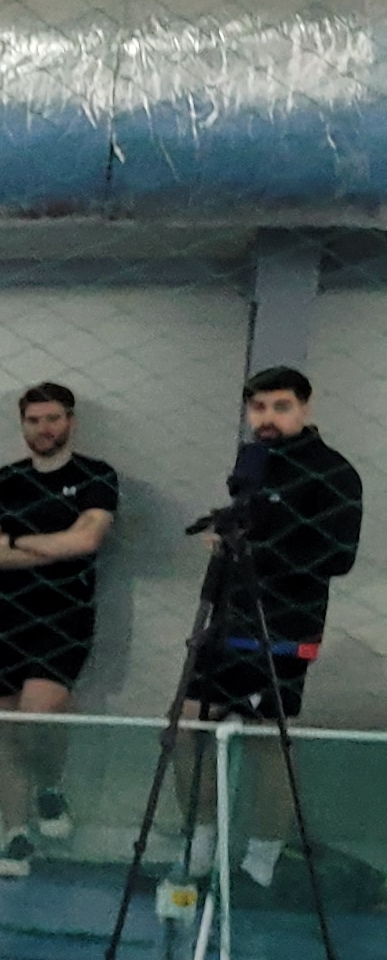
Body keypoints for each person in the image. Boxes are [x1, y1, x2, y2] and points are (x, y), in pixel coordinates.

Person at [181, 366, 362, 888]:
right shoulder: (252, 464)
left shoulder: (333, 471)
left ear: (304, 408)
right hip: (227, 618)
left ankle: (260, 862)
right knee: (187, 726)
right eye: (258, 407)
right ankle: (198, 850)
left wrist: (252, 549)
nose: (267, 418)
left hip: (284, 625)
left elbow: (338, 556)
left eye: (281, 407)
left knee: (269, 740)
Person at [0, 381, 119, 879]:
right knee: (7, 728)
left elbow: (87, 540)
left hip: (63, 615)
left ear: (70, 421)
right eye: (34, 420)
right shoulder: (4, 480)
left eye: (53, 418)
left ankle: (50, 786)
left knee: (39, 711)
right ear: (23, 425)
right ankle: (15, 835)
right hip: (0, 617)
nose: (44, 428)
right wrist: (50, 546)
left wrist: (15, 543)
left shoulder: (96, 476)